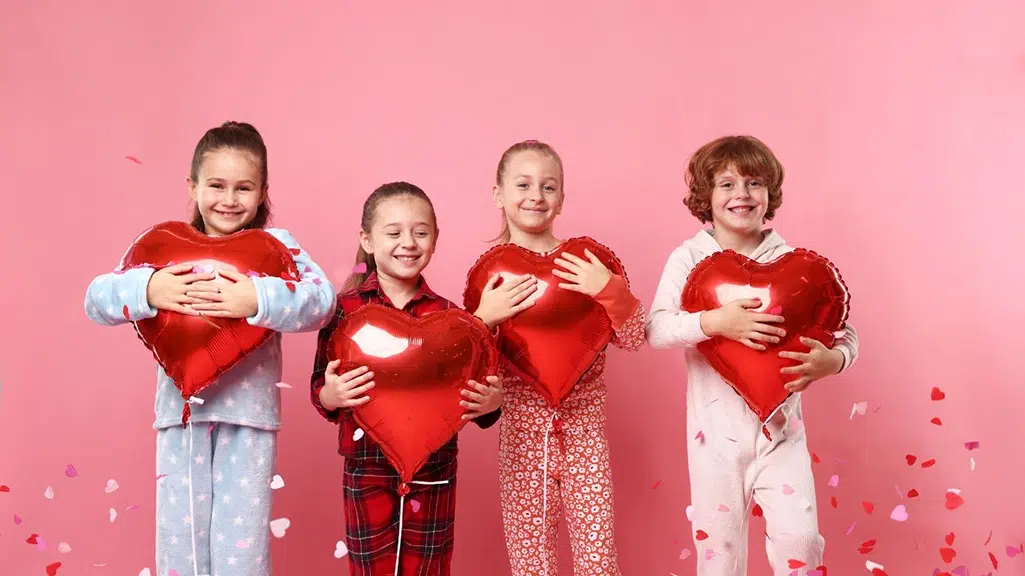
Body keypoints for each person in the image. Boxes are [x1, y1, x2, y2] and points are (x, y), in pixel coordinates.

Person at [84, 121, 336, 576]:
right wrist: (150, 288)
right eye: (217, 185)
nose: (229, 199)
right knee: (180, 546)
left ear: (262, 193)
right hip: (181, 418)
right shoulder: (164, 247)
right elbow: (96, 299)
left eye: (244, 187)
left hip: (249, 420)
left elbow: (321, 302)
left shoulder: (277, 248)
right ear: (193, 187)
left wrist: (257, 299)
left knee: (242, 550)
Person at [646, 135, 859, 575]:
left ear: (769, 193)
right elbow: (657, 328)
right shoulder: (688, 257)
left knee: (800, 540)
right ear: (706, 196)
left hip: (783, 434)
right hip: (712, 441)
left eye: (754, 182)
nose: (741, 194)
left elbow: (843, 329)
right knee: (718, 556)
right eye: (726, 184)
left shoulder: (796, 263)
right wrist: (714, 322)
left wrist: (834, 360)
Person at [469, 140, 646, 576]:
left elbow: (634, 337)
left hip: (586, 436)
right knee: (531, 564)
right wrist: (482, 319)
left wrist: (609, 289)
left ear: (562, 199)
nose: (536, 196)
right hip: (522, 441)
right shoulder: (491, 276)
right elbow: (469, 363)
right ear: (498, 194)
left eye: (548, 187)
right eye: (523, 185)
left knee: (598, 559)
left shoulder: (589, 262)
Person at [310, 181, 505, 576]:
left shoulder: (452, 318)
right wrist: (330, 394)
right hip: (366, 468)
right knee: (370, 570)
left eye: (420, 232)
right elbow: (320, 388)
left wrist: (492, 405)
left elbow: (473, 394)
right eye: (394, 232)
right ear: (367, 239)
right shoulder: (342, 311)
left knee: (429, 569)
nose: (408, 243)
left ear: (435, 239)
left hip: (433, 470)